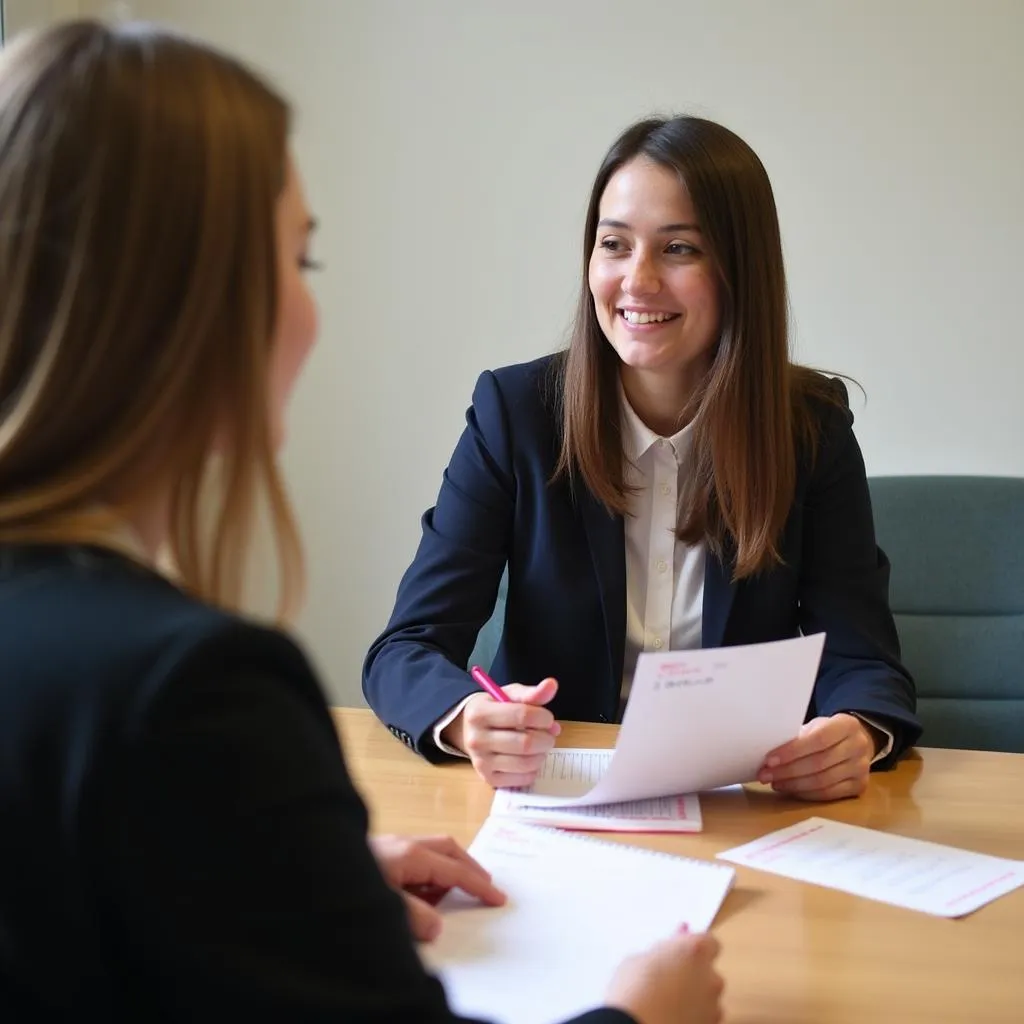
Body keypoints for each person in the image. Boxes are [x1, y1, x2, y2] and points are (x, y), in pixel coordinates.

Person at [0, 20, 723, 1024]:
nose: (310, 311)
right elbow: (409, 643)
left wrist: (273, 878)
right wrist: (641, 1017)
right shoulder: (190, 691)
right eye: (300, 260)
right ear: (183, 302)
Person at [363, 115, 922, 801]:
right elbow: (406, 649)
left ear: (740, 269)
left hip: (737, 804)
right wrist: (466, 719)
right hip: (553, 798)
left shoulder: (808, 426)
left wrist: (857, 731)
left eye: (679, 248)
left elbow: (863, 658)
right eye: (614, 245)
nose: (638, 280)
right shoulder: (516, 414)